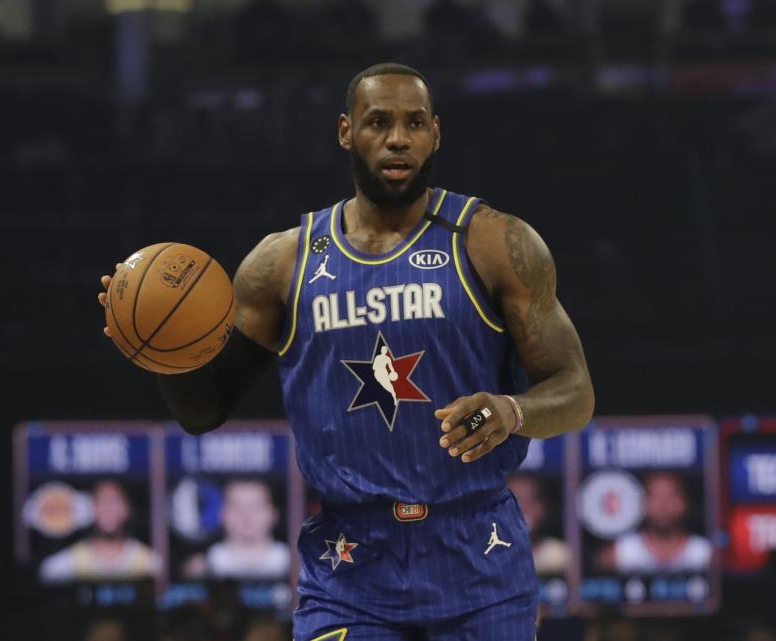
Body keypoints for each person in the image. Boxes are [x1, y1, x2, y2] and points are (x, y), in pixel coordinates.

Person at [98, 62, 594, 640]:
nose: (397, 138)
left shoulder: (495, 243)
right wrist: (164, 351)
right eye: (378, 121)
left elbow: (575, 391)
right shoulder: (282, 263)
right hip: (349, 566)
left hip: (479, 552)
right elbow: (202, 410)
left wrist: (512, 411)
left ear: (436, 133)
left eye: (414, 123)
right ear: (345, 132)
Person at [39, 479, 160, 583]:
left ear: (127, 509)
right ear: (92, 510)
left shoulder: (150, 564)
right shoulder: (61, 566)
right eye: (102, 502)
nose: (108, 510)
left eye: (115, 502)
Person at [596, 471, 711, 574]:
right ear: (642, 503)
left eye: (671, 497)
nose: (663, 506)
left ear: (685, 502)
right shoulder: (619, 555)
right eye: (654, 497)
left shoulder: (706, 555)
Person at [182, 478, 290, 580]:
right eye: (236, 506)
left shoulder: (296, 565)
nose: (246, 515)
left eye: (256, 506)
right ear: (222, 513)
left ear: (273, 513)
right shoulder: (200, 568)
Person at [507, 473, 567, 575]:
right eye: (513, 501)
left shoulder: (560, 555)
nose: (522, 509)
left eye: (528, 501)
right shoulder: (486, 555)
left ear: (541, 509)